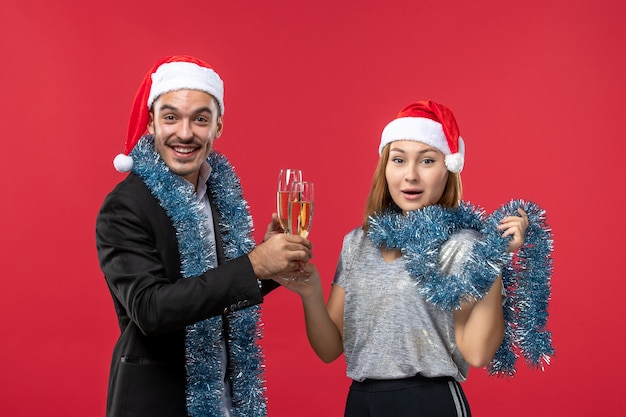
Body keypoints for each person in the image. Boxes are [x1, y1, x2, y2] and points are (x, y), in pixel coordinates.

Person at [280, 100, 553, 417]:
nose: (410, 175)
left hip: (428, 404)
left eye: (426, 161)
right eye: (398, 160)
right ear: (385, 168)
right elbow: (330, 350)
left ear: (447, 170)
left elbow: (477, 352)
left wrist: (492, 257)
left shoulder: (462, 245)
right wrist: (311, 295)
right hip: (360, 403)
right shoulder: (357, 242)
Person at [95, 55, 312, 417]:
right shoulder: (124, 206)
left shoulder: (217, 193)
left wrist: (269, 266)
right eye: (170, 117)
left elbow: (219, 290)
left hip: (228, 401)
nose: (185, 133)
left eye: (200, 119)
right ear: (151, 124)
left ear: (218, 126)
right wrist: (253, 265)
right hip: (160, 401)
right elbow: (150, 309)